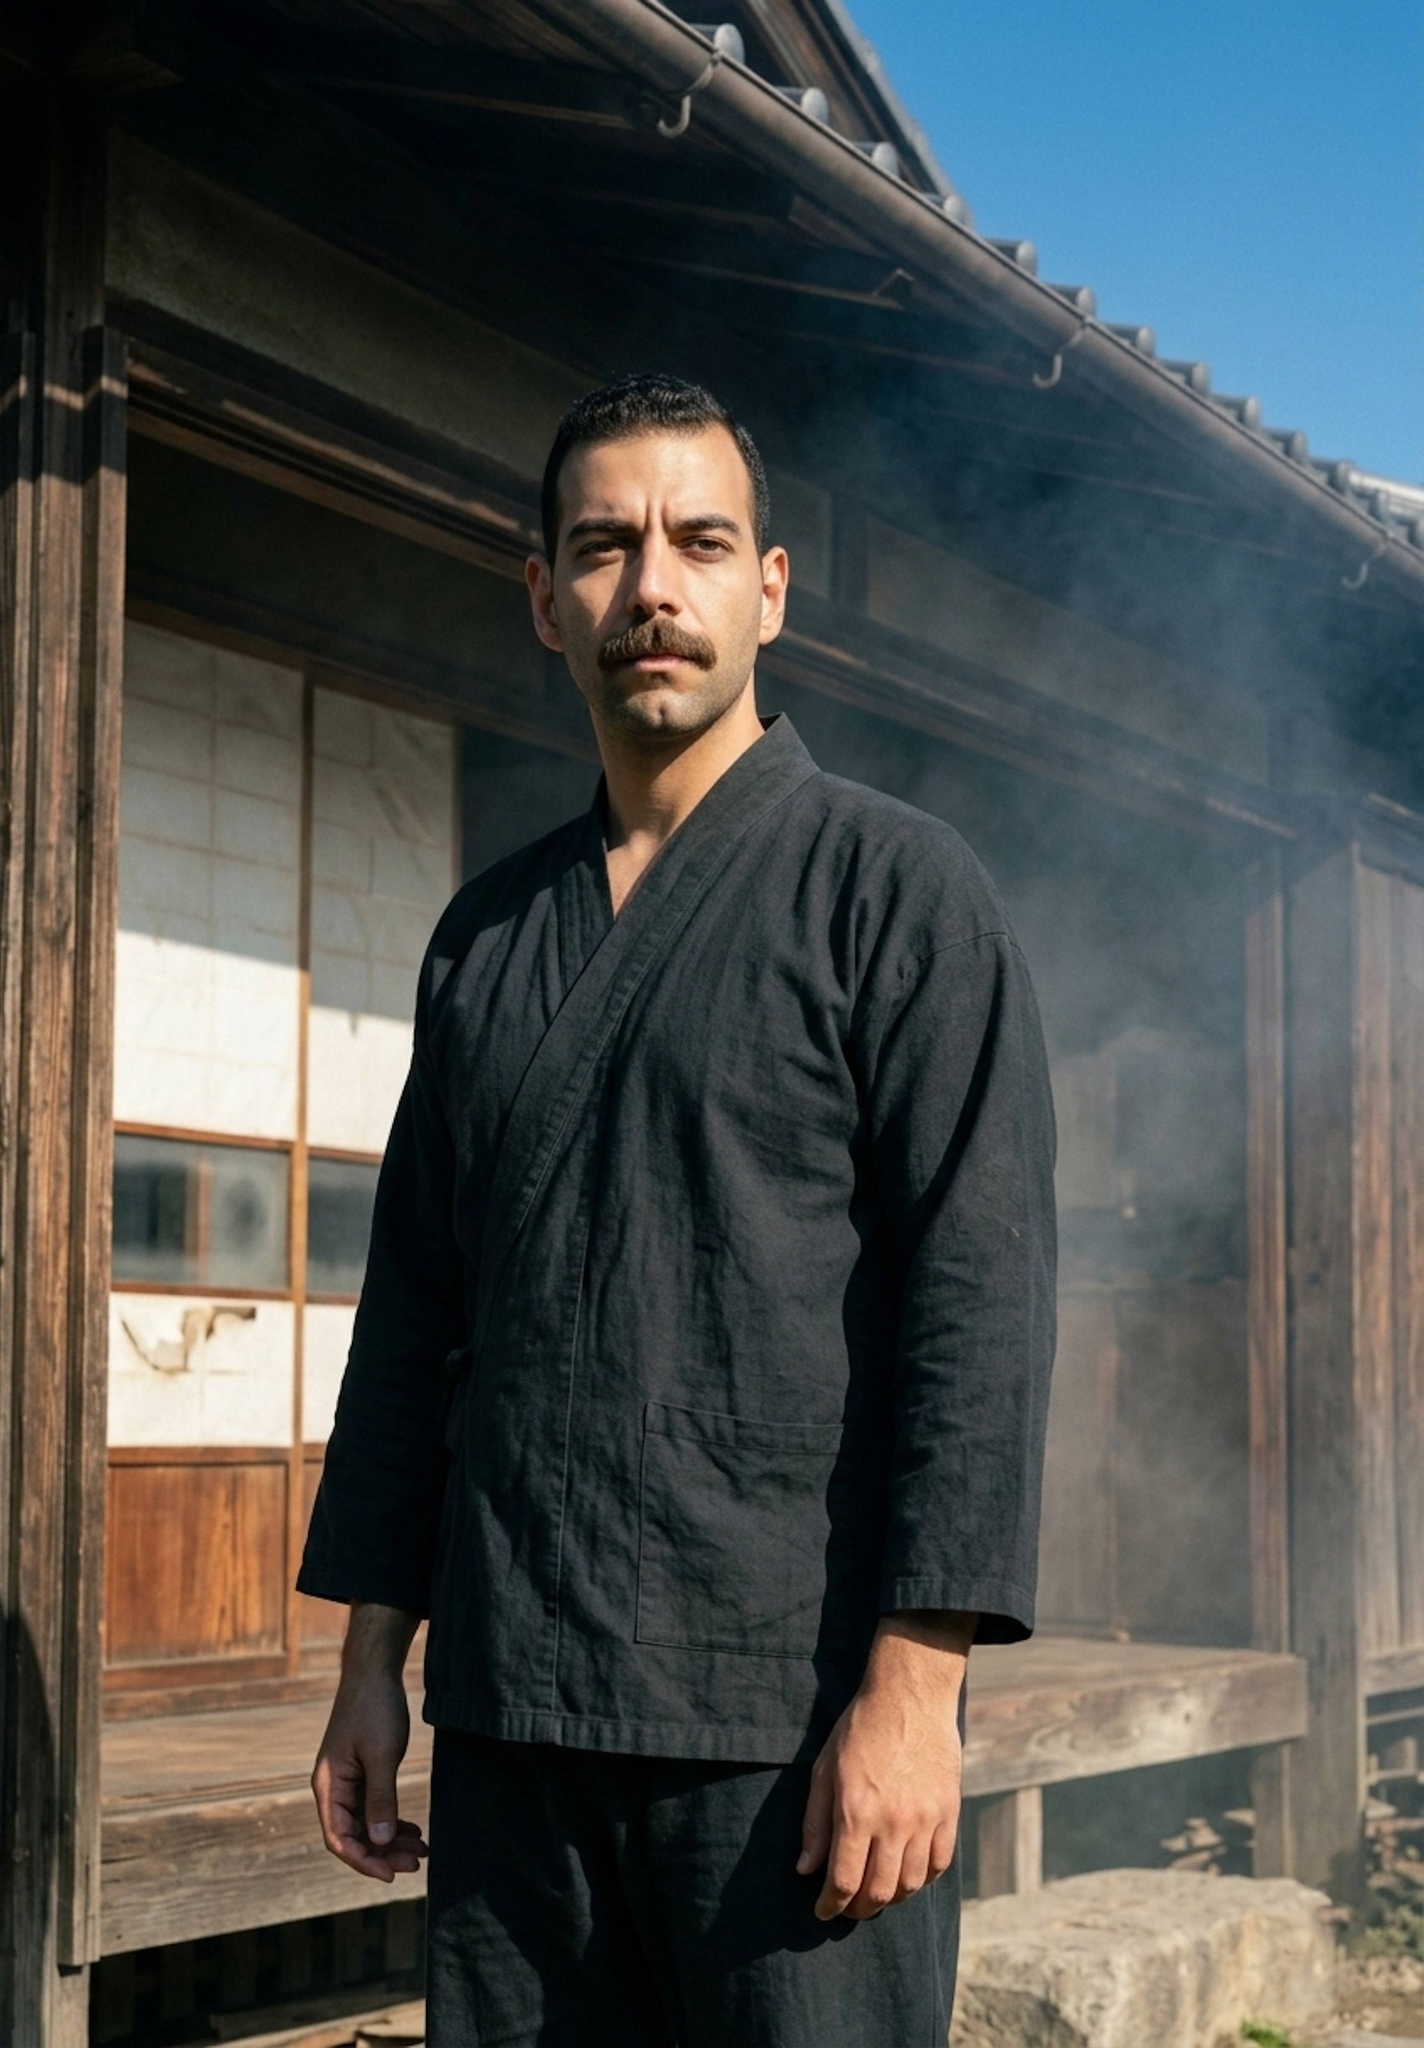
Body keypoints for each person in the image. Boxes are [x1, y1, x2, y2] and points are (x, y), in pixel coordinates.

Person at [299, 373, 1057, 2047]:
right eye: (604, 545)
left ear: (766, 588)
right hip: (511, 1707)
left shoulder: (895, 888)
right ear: (543, 599)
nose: (652, 586)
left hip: (777, 1723)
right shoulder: (484, 937)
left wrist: (913, 1691)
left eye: (699, 542)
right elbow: (417, 1310)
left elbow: (977, 1305)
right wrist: (374, 1660)